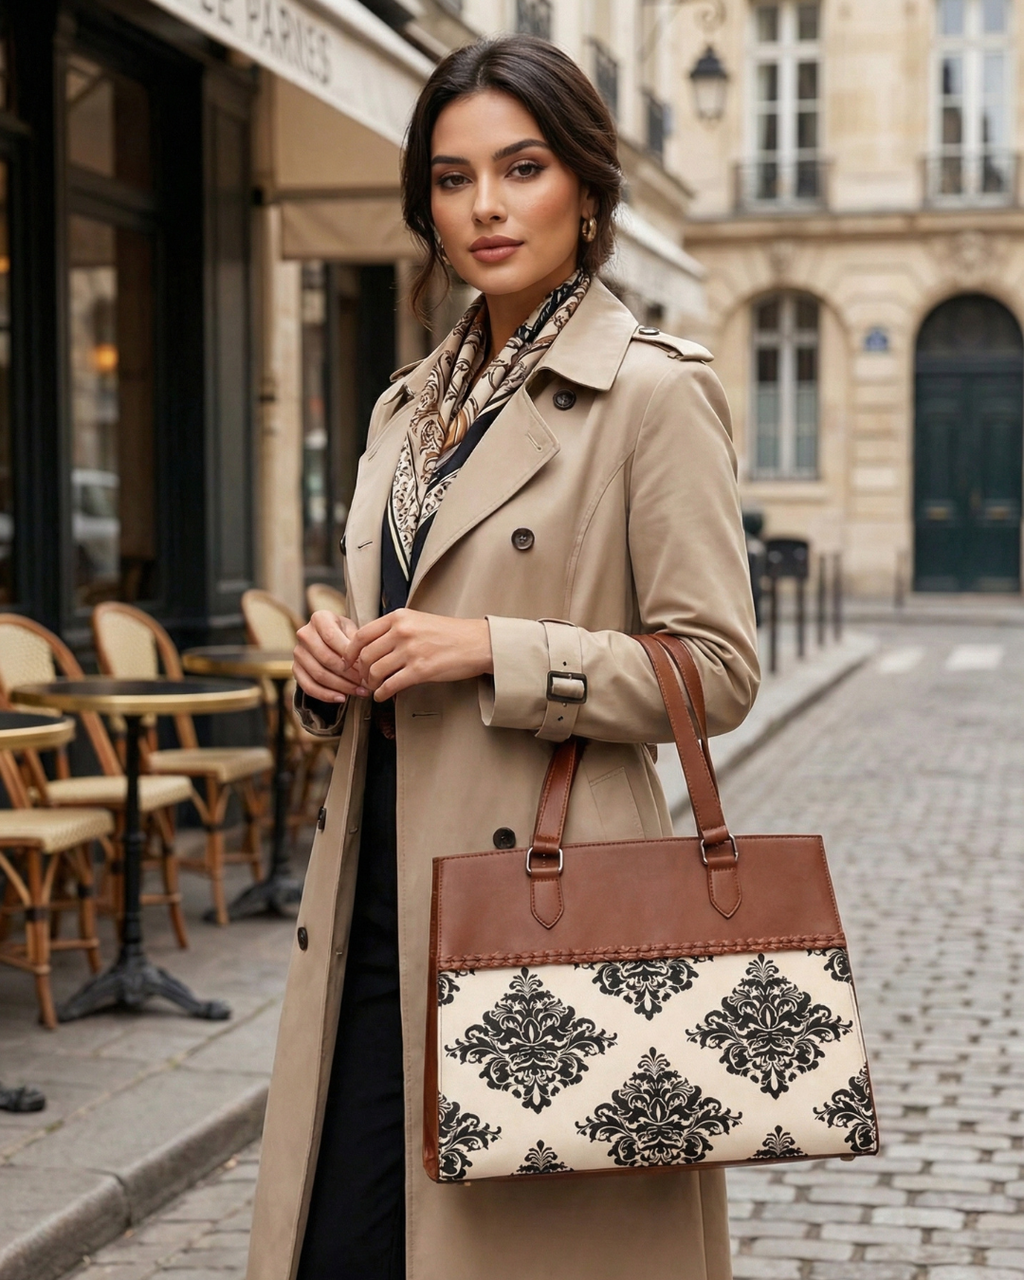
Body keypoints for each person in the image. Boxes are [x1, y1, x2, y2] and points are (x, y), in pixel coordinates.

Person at [247, 33, 759, 1280]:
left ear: (586, 187)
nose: (482, 205)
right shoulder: (406, 408)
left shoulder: (650, 394)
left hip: (541, 913)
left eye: (520, 168)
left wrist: (494, 649)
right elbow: (393, 622)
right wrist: (333, 669)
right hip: (377, 908)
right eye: (450, 176)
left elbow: (717, 668)